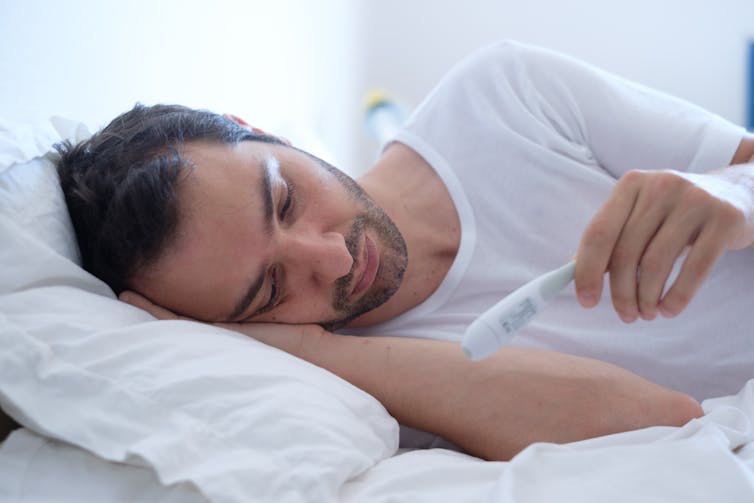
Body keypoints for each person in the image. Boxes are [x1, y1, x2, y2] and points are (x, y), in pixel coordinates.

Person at [56, 41, 754, 461]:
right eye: (269, 290)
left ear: (257, 129)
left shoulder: (505, 93)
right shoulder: (355, 392)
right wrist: (309, 351)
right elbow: (665, 424)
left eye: (287, 199)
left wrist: (736, 195)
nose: (329, 259)